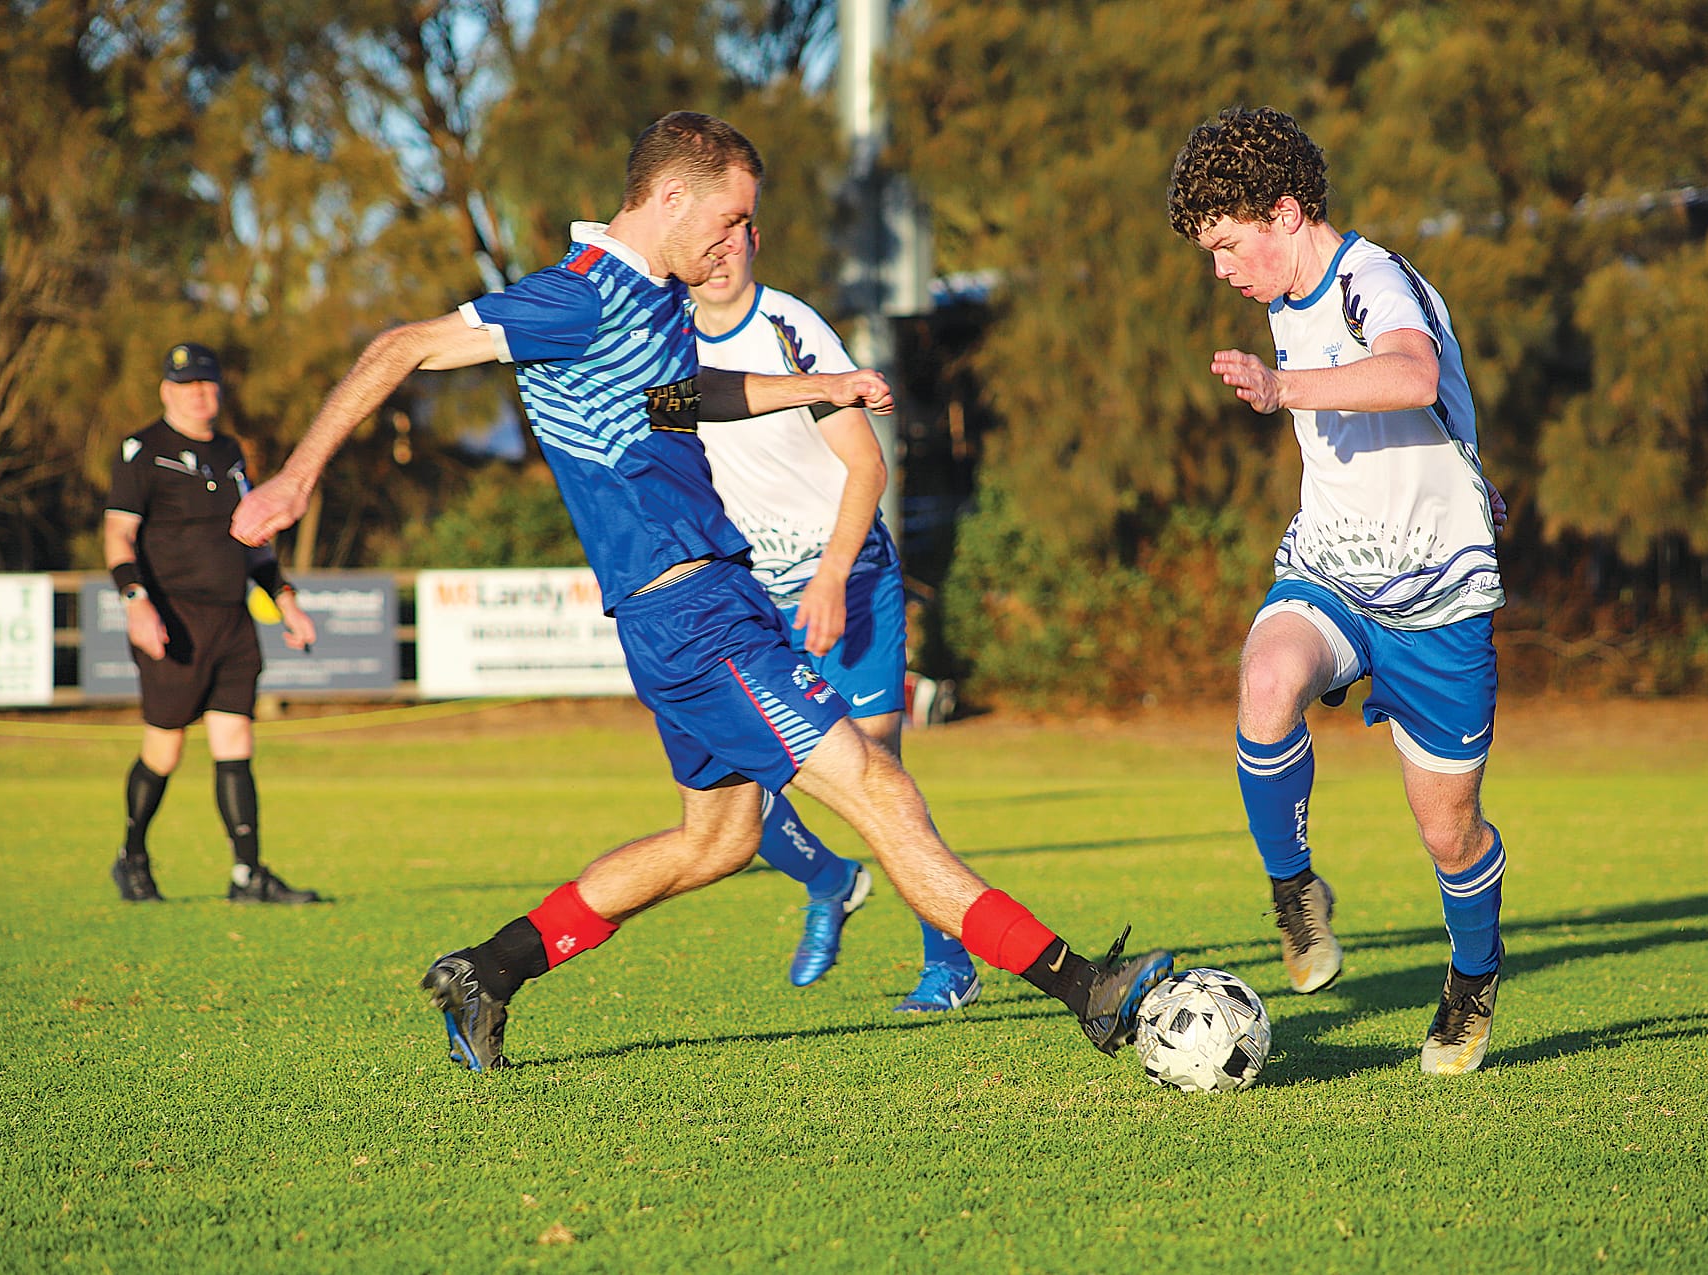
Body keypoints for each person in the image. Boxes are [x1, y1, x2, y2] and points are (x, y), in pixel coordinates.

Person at [231, 111, 1170, 1070]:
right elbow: (401, 346)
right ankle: (1083, 987)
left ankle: (491, 968)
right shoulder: (577, 298)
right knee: (879, 789)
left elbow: (680, 400)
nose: (736, 243)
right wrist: (298, 476)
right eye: (727, 219)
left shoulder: (658, 300)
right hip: (695, 616)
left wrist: (822, 389)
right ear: (670, 197)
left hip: (701, 606)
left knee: (715, 840)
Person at [1166, 106, 1510, 1075]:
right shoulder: (1283, 297)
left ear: (1283, 212)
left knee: (1446, 834)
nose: (1222, 269)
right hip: (1329, 568)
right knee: (1266, 684)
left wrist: (1282, 391)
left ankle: (1471, 977)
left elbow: (1408, 374)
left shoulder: (1370, 276)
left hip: (1436, 595)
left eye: (1229, 245)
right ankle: (1296, 896)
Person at [691, 221, 980, 1011]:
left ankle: (948, 957)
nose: (719, 256)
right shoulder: (664, 340)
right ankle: (829, 879)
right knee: (743, 782)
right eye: (704, 240)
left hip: (848, 580)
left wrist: (828, 578)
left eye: (733, 235)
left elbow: (867, 464)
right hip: (752, 598)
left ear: (755, 237)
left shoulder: (791, 328)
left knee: (876, 776)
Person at [105, 341, 322, 905]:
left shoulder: (230, 452)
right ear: (165, 391)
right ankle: (132, 858)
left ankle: (247, 876)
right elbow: (118, 536)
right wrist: (136, 600)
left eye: (207, 383)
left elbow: (255, 543)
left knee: (235, 740)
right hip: (173, 619)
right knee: (166, 749)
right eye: (186, 385)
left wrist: (287, 602)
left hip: (232, 620)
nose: (200, 394)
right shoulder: (142, 450)